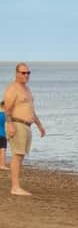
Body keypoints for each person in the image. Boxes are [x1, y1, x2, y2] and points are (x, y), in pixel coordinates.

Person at [2, 63, 46, 196]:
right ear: (16, 73)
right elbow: (7, 109)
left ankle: (16, 186)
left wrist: (39, 125)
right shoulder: (13, 88)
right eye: (23, 73)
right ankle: (15, 187)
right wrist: (9, 125)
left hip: (27, 125)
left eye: (28, 73)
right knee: (17, 155)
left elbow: (30, 109)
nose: (26, 75)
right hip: (16, 124)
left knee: (20, 156)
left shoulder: (26, 89)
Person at [0, 101, 9, 170]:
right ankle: (2, 165)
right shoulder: (5, 115)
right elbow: (8, 126)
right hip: (2, 134)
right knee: (3, 150)